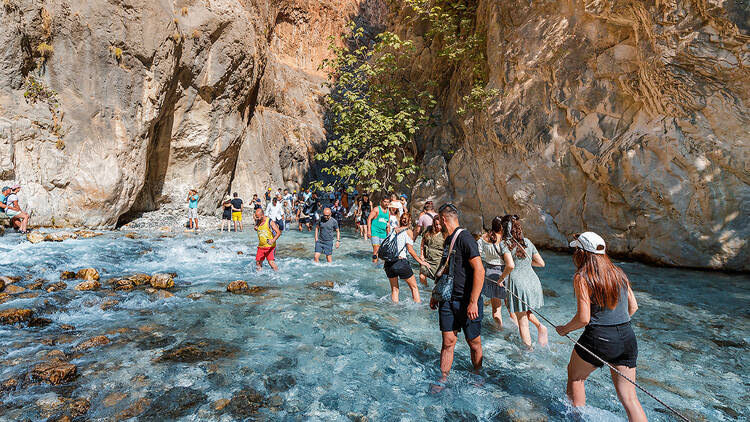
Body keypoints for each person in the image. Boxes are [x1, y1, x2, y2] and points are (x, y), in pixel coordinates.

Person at [556, 232, 646, 422]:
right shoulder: (619, 272)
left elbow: (583, 318)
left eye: (576, 250)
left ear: (582, 253)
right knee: (630, 398)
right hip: (627, 337)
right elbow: (634, 307)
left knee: (576, 378)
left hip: (599, 338)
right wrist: (615, 327)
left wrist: (564, 329)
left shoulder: (582, 277)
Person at [429, 203, 485, 387]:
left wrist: (473, 302)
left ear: (443, 220)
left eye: (439, 221)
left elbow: (480, 270)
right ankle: (443, 379)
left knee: (474, 342)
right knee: (448, 341)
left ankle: (477, 374)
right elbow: (445, 270)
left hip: (467, 301)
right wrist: (436, 294)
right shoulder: (448, 241)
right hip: (447, 299)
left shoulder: (466, 238)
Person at [497, 214, 548, 348]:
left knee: (522, 321)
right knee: (523, 311)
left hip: (518, 284)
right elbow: (541, 263)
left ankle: (528, 352)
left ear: (504, 228)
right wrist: (525, 263)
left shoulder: (504, 244)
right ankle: (540, 327)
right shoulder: (528, 242)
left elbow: (510, 266)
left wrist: (501, 279)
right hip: (533, 282)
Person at [478, 216, 517, 329]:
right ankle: (517, 330)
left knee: (496, 308)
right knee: (511, 307)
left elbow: (477, 254)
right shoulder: (506, 240)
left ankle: (498, 331)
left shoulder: (484, 238)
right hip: (505, 273)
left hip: (490, 272)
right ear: (502, 227)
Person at [383, 212, 430, 303]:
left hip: (388, 263)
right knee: (414, 287)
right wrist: (421, 262)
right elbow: (410, 250)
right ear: (409, 222)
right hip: (400, 262)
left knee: (395, 289)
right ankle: (418, 311)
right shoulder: (408, 232)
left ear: (400, 221)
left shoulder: (393, 230)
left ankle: (394, 309)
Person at [419, 218, 444, 286]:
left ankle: (431, 293)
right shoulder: (428, 230)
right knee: (422, 275)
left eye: (440, 224)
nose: (438, 226)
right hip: (427, 259)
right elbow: (422, 242)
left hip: (438, 261)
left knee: (437, 281)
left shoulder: (445, 233)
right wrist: (421, 255)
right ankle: (425, 290)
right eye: (436, 224)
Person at [367, 197, 390, 263]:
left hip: (383, 234)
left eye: (388, 202)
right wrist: (369, 231)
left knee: (382, 252)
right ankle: (374, 267)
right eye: (385, 202)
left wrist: (389, 235)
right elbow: (369, 219)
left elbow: (388, 224)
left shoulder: (388, 212)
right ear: (382, 201)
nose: (386, 203)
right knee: (376, 250)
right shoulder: (376, 209)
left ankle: (380, 267)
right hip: (375, 232)